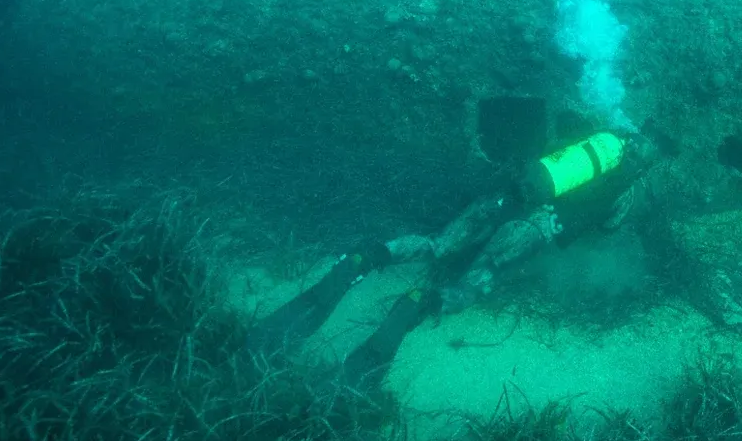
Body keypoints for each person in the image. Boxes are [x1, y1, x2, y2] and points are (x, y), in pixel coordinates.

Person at [247, 129, 653, 388]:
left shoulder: (590, 144)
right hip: (533, 228)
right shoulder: (628, 190)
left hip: (506, 198)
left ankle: (368, 257)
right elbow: (609, 228)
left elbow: (540, 161)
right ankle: (417, 305)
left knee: (437, 245)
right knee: (479, 280)